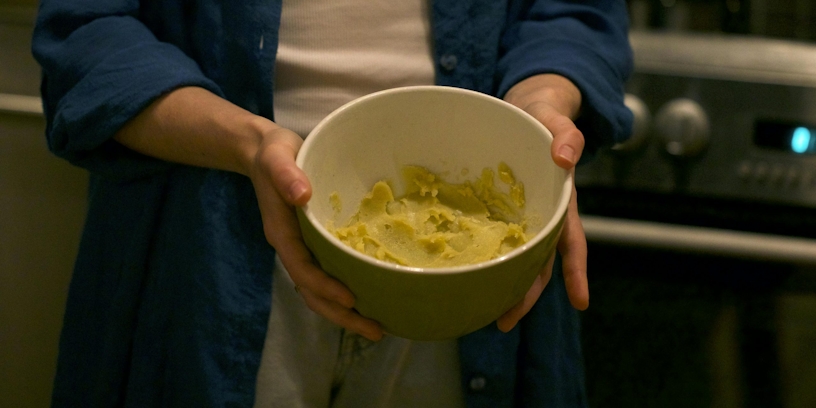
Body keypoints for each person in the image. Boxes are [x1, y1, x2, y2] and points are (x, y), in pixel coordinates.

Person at [32, 0, 633, 406]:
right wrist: (247, 143)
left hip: (474, 284)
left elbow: (573, 13)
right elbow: (89, 30)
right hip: (203, 258)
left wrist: (538, 110)